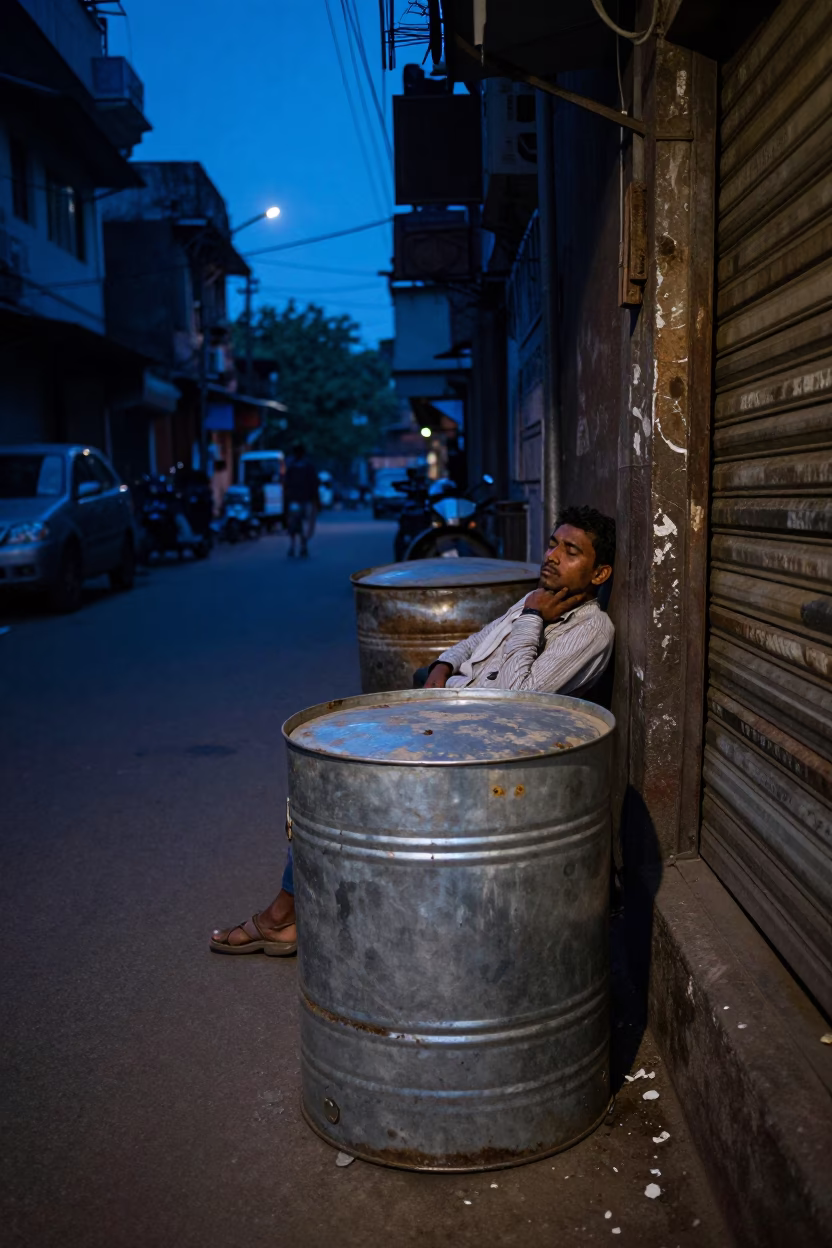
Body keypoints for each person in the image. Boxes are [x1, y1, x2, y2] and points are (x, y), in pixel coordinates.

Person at [210, 505, 615, 956]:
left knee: (342, 790)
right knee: (323, 770)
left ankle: (281, 918)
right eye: (553, 543)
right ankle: (293, 915)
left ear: (599, 574)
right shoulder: (533, 600)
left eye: (571, 551)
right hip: (441, 719)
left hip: (481, 755)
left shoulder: (590, 629)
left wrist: (533, 620)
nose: (553, 556)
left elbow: (517, 702)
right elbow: (473, 642)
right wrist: (442, 666)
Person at [283, 442, 319, 558]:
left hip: (297, 500)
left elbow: (286, 484)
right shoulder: (306, 466)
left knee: (294, 524)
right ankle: (300, 546)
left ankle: (295, 546)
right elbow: (314, 484)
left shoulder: (292, 466)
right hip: (303, 500)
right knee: (301, 524)